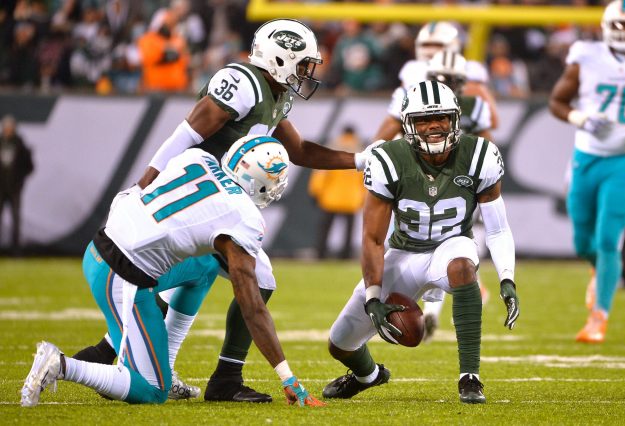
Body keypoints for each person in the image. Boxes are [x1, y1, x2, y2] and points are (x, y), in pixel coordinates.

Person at [74, 18, 378, 403]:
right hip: (204, 202)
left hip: (218, 203)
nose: (306, 73)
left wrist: (359, 159)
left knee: (198, 274)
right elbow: (185, 134)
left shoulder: (275, 91)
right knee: (257, 280)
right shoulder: (243, 81)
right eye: (302, 64)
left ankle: (121, 353)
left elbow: (300, 151)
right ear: (278, 58)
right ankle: (222, 377)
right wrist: (144, 182)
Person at [21, 135, 324, 408]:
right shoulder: (244, 216)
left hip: (101, 247)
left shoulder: (198, 158)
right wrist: (287, 376)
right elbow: (252, 307)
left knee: (205, 265)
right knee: (153, 391)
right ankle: (60, 364)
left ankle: (159, 360)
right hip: (122, 277)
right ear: (259, 180)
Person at [322, 81, 519, 404]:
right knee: (340, 343)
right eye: (422, 121)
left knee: (462, 268)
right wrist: (373, 295)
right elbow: (372, 238)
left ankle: (470, 377)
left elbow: (497, 229)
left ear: (455, 119)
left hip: (451, 244)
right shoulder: (387, 158)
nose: (432, 127)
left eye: (440, 118)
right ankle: (368, 376)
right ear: (408, 125)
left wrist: (507, 278)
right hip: (404, 253)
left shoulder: (480, 154)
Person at [374, 50, 494, 343]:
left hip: (456, 182)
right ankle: (414, 302)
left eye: (453, 80)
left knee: (446, 241)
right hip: (414, 178)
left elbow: (487, 148)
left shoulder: (473, 106)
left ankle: (432, 309)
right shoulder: (409, 96)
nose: (449, 84)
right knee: (408, 244)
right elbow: (384, 136)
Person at [548, 0, 625, 343]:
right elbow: (557, 101)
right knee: (583, 240)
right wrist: (581, 118)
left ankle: (598, 317)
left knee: (608, 238)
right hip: (585, 158)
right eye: (619, 26)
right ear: (605, 26)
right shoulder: (586, 55)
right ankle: (596, 268)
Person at [308, 125, 367, 259]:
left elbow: (321, 174)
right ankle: (345, 256)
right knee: (348, 232)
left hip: (331, 198)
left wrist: (315, 192)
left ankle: (320, 254)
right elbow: (365, 179)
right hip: (352, 199)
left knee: (325, 229)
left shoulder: (333, 147)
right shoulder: (360, 151)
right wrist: (364, 197)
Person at [0, 115, 34, 255]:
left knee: (16, 219)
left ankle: (15, 250)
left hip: (14, 189)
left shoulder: (20, 145)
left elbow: (29, 166)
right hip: (1, 188)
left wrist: (19, 180)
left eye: (10, 127)